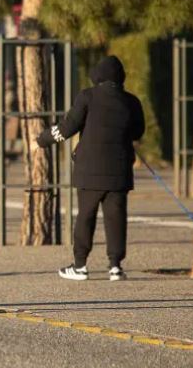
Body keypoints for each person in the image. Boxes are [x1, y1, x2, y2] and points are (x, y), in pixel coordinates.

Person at [37, 55, 145, 281]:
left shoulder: (87, 96)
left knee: (86, 216)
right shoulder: (131, 101)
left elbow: (67, 128)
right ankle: (115, 266)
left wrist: (42, 139)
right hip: (119, 170)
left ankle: (80, 265)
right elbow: (138, 132)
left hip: (90, 170)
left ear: (98, 76)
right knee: (116, 218)